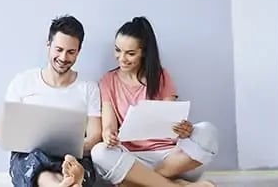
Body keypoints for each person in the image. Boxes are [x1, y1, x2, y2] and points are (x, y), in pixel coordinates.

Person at [90, 16, 219, 187]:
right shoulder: (107, 81)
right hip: (131, 159)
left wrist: (183, 129)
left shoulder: (160, 76)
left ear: (143, 52)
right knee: (99, 152)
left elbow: (171, 122)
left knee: (207, 132)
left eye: (130, 53)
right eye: (117, 50)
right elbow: (109, 127)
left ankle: (143, 182)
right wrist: (108, 135)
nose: (122, 58)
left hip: (170, 158)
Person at [0, 15, 103, 187]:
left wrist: (71, 148)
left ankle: (70, 179)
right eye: (58, 49)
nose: (63, 57)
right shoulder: (23, 81)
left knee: (73, 164)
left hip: (72, 157)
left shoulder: (88, 88)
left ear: (79, 51)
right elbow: (1, 132)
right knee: (37, 164)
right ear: (48, 45)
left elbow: (95, 136)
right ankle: (69, 183)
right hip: (31, 157)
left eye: (71, 52)